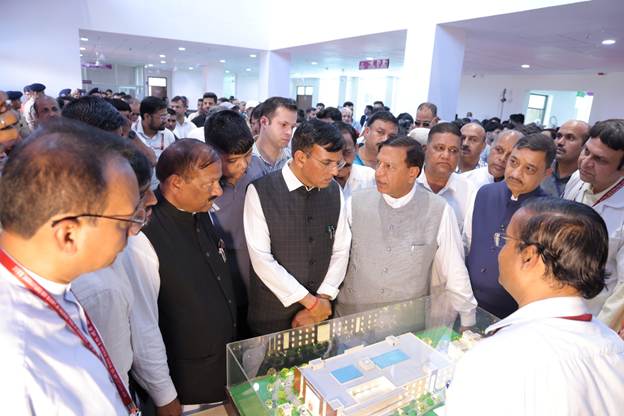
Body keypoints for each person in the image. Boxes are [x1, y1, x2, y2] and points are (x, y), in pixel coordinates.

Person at [0, 118, 142, 414]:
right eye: (125, 221)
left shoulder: (46, 282)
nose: (133, 231)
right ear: (68, 234)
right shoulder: (17, 363)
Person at [446, 198, 624, 416]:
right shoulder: (614, 345)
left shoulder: (494, 360)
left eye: (505, 241)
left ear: (528, 256)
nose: (500, 252)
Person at [65, 101, 181, 415]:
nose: (152, 200)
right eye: (116, 142)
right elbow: (132, 341)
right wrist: (165, 396)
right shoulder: (100, 282)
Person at [335, 135, 476, 322]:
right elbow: (337, 256)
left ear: (412, 173)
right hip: (351, 319)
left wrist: (468, 318)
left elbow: (454, 269)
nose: (379, 173)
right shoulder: (356, 203)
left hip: (404, 325)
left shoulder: (439, 210)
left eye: (389, 166)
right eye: (379, 164)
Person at [142, 139, 236, 407]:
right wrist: (164, 395)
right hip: (185, 381)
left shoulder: (199, 209)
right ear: (176, 183)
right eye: (209, 183)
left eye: (219, 181)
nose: (218, 191)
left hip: (220, 365)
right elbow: (143, 326)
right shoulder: (146, 233)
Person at [244, 119, 351, 335]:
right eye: (327, 163)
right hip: (272, 313)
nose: (335, 171)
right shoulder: (261, 191)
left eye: (338, 163)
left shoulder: (333, 191)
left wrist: (323, 297)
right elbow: (261, 259)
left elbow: (341, 248)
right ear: (301, 157)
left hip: (321, 311)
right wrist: (310, 302)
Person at [465, 133, 554, 318]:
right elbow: (469, 241)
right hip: (468, 301)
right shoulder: (485, 193)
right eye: (513, 162)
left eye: (529, 169)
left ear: (546, 173)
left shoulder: (549, 213)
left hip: (513, 312)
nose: (515, 173)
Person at [563, 119, 624, 324]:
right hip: (559, 301)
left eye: (600, 159)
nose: (585, 162)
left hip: (594, 316)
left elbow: (622, 290)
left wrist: (601, 332)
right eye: (586, 151)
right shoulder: (577, 179)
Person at [205, 110, 255, 336]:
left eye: (248, 155)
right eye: (233, 160)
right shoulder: (202, 186)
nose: (243, 165)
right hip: (220, 287)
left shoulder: (259, 174)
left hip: (256, 284)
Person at [417, 123, 476, 231]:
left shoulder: (467, 189)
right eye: (440, 148)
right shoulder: (409, 181)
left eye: (453, 151)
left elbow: (468, 237)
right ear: (425, 149)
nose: (446, 156)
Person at [247, 97, 297, 178]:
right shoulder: (243, 159)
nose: (289, 132)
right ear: (264, 122)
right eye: (283, 125)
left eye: (292, 127)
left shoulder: (292, 161)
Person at [541, 120, 590, 197]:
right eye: (559, 136)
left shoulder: (587, 181)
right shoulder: (541, 168)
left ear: (585, 146)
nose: (560, 142)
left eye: (570, 138)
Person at [333, 121, 376, 203]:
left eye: (346, 152)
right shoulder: (319, 181)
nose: (341, 161)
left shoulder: (370, 178)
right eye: (335, 153)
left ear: (356, 149)